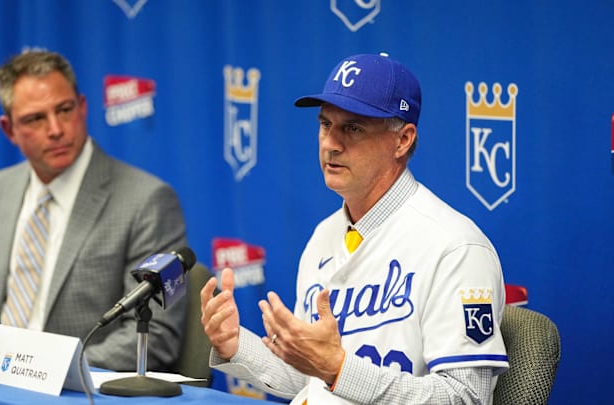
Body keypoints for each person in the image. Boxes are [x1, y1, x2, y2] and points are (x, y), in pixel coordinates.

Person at [200, 53, 508, 404]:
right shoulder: (324, 236)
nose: (331, 142)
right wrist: (237, 345)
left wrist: (339, 370)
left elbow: (466, 397)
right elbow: (310, 381)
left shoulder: (456, 248)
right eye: (325, 124)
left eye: (353, 128)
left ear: (403, 140)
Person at [0, 50, 188, 372]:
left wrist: (41, 371)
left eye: (64, 110)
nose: (55, 129)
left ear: (82, 108)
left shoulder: (147, 200)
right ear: (9, 130)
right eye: (35, 119)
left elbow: (155, 336)